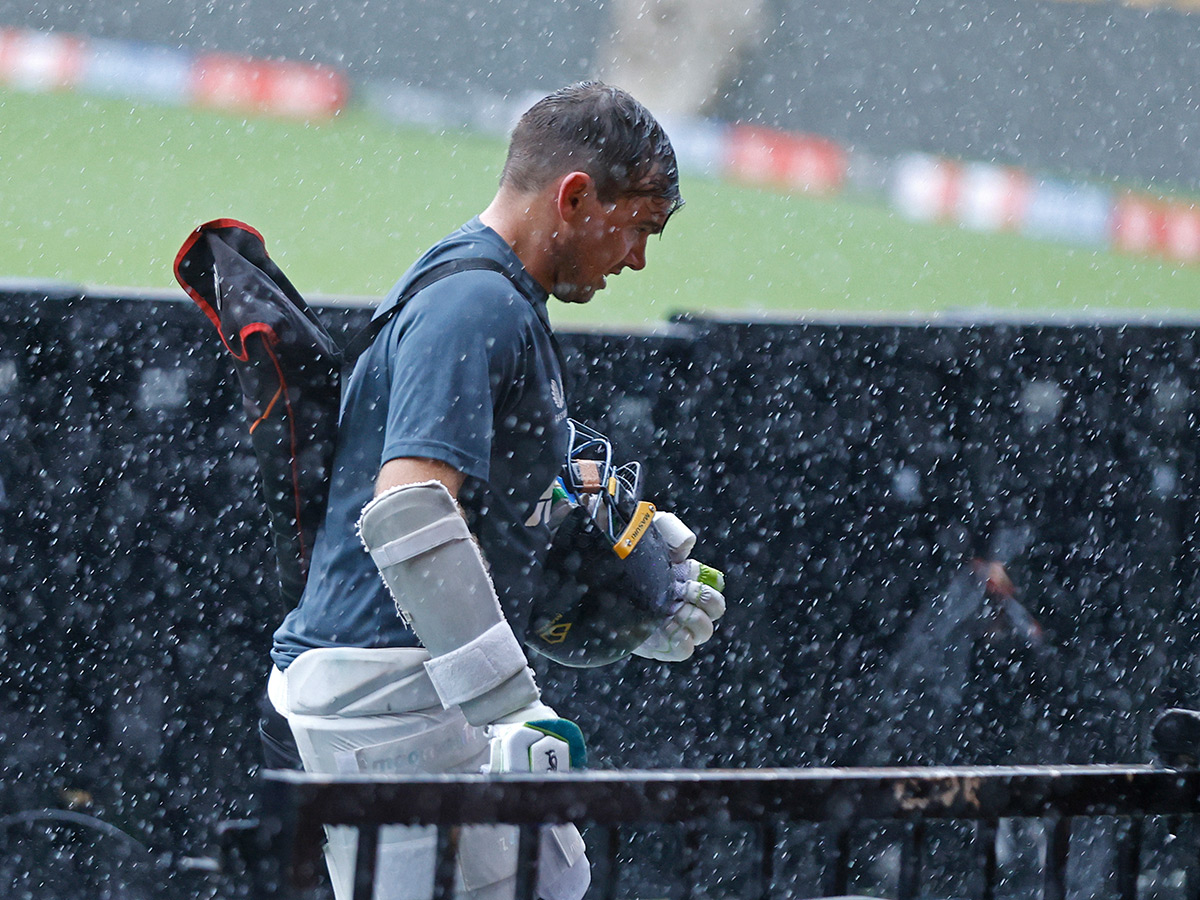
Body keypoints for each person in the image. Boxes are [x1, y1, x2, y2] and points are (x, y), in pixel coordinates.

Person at [264, 82, 727, 900]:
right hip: (387, 694)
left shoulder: (491, 296)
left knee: (554, 879)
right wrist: (508, 708)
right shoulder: (475, 304)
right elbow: (410, 513)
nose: (640, 260)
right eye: (640, 229)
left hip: (407, 686)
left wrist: (634, 588)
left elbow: (493, 516)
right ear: (576, 197)